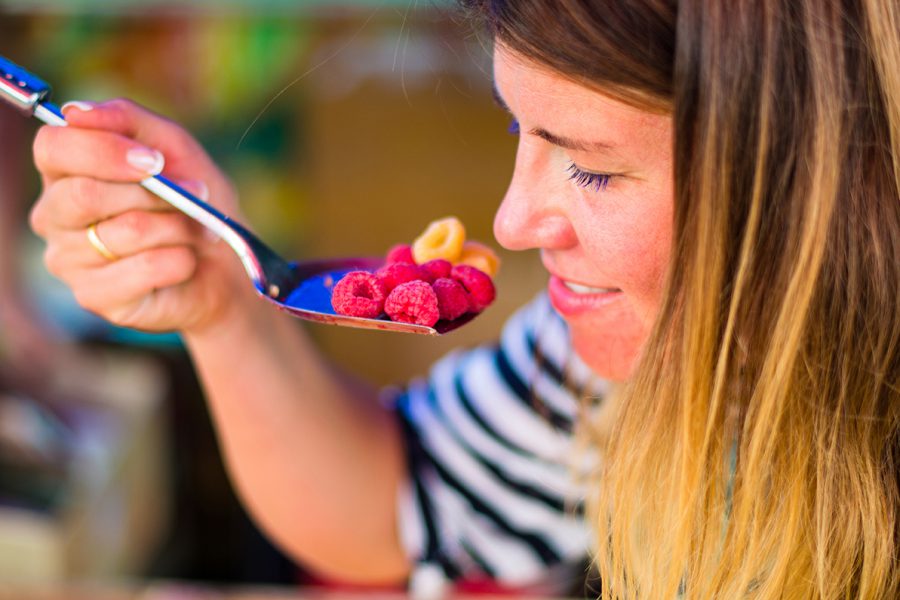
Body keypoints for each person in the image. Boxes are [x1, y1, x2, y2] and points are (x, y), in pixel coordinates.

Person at [26, 0, 900, 598]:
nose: (512, 220)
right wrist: (219, 302)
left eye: (591, 164)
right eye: (519, 129)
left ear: (819, 173)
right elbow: (400, 503)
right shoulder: (615, 358)